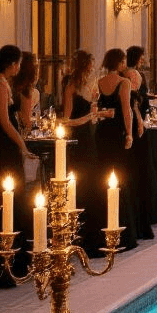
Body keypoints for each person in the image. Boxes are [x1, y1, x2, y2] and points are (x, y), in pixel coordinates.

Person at [0, 46, 35, 287]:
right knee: (6, 200)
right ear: (10, 63)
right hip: (3, 149)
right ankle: (4, 265)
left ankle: (17, 262)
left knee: (15, 199)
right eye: (17, 63)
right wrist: (22, 146)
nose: (19, 67)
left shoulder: (4, 83)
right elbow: (5, 123)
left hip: (10, 147)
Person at [60, 50, 108, 255]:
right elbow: (67, 120)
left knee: (93, 184)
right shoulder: (71, 86)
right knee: (81, 184)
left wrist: (96, 113)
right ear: (83, 65)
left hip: (90, 138)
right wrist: (89, 116)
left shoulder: (89, 86)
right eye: (89, 64)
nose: (92, 68)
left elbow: (91, 114)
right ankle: (78, 234)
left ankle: (94, 233)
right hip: (78, 140)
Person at [96, 48, 138, 250]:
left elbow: (97, 108)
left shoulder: (99, 82)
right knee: (120, 177)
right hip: (117, 132)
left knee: (104, 175)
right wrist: (129, 133)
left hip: (102, 133)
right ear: (120, 62)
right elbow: (126, 110)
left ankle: (104, 224)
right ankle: (123, 230)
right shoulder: (124, 82)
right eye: (123, 61)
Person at [123, 45, 157, 235]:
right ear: (137, 58)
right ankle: (142, 214)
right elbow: (134, 102)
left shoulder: (124, 74)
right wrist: (139, 122)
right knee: (141, 168)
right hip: (136, 126)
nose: (144, 60)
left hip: (130, 124)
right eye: (142, 57)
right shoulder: (133, 74)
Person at [12, 51, 39, 137]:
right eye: (36, 67)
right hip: (18, 136)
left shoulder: (11, 87)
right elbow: (26, 122)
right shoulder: (26, 91)